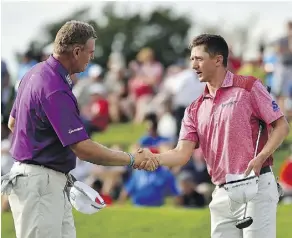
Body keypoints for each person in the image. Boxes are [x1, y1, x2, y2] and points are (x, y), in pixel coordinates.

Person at [3, 20, 158, 238]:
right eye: (90, 52)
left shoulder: (34, 73)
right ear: (77, 51)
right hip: (40, 183)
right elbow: (83, 148)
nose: (92, 57)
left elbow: (13, 123)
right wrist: (132, 159)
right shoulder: (55, 87)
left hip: (42, 180)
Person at [137, 34, 290, 238]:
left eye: (198, 59)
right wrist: (154, 157)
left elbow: (281, 125)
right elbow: (182, 153)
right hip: (221, 193)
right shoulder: (194, 108)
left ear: (218, 60)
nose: (193, 65)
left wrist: (262, 156)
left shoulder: (248, 87)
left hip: (256, 186)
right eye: (191, 59)